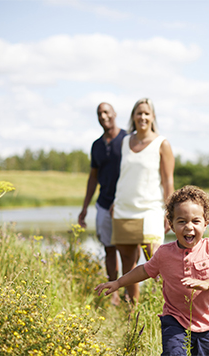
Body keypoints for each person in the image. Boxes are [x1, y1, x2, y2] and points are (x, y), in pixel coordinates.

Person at [96, 185, 209, 356]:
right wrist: (118, 282)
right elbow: (144, 270)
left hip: (206, 322)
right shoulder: (164, 253)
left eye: (196, 221)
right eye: (181, 221)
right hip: (174, 319)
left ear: (205, 224)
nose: (189, 227)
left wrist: (207, 283)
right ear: (171, 225)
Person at [110, 98, 175, 303]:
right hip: (123, 209)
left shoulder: (161, 144)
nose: (143, 117)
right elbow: (123, 174)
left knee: (156, 261)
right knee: (128, 264)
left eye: (147, 113)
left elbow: (168, 180)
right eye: (139, 113)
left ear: (153, 117)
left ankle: (172, 307)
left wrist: (170, 211)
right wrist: (114, 201)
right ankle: (133, 312)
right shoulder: (124, 142)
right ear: (133, 117)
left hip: (151, 210)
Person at [78, 102, 126, 306]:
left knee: (128, 249)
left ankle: (130, 294)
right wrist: (84, 208)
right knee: (109, 248)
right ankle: (113, 291)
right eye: (99, 113)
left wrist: (122, 199)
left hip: (125, 204)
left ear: (115, 114)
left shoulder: (127, 139)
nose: (103, 116)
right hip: (103, 204)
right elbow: (93, 177)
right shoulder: (96, 145)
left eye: (107, 111)